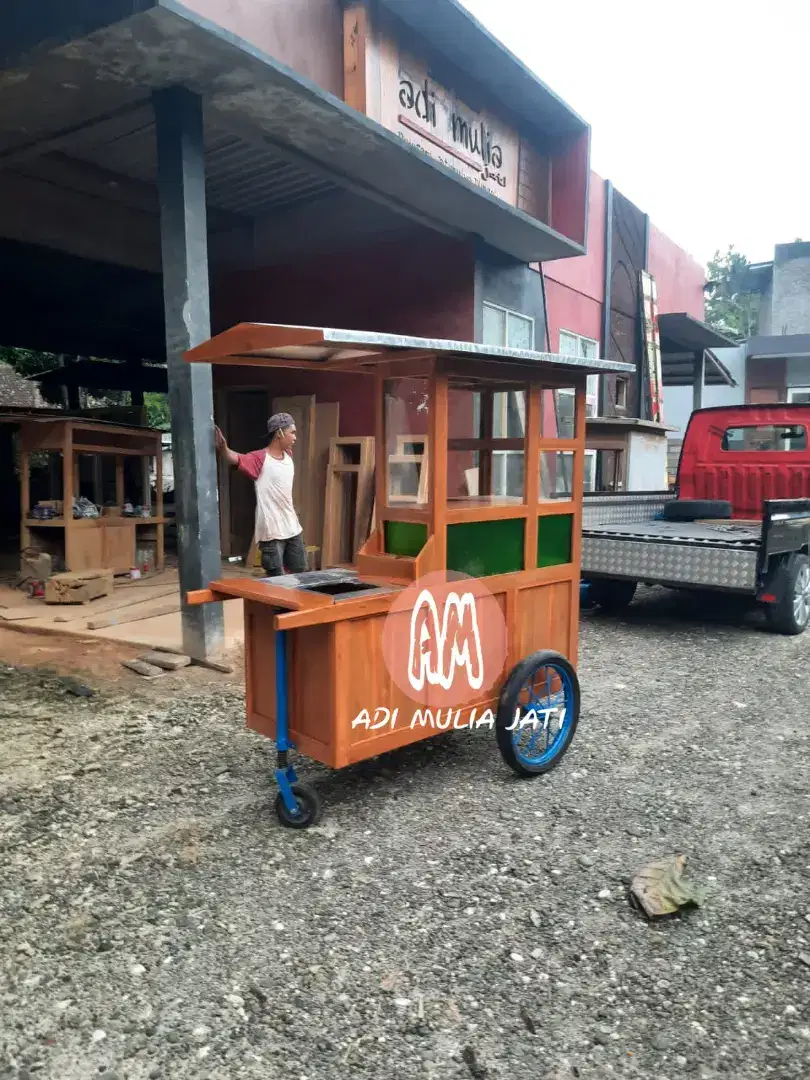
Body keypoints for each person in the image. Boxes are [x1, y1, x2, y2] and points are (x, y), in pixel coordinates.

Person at [214, 412, 308, 577]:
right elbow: (235, 458)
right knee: (276, 579)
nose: (295, 437)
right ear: (279, 433)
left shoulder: (288, 455)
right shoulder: (260, 459)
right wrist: (223, 448)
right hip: (271, 531)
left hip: (292, 526)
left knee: (300, 572)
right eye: (292, 433)